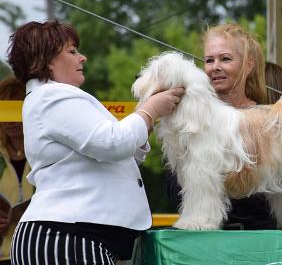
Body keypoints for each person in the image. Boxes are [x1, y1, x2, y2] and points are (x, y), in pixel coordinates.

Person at [7, 19, 184, 265]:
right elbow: (112, 143)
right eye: (72, 51)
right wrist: (150, 110)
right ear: (45, 60)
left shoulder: (61, 98)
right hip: (67, 238)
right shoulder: (52, 96)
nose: (83, 58)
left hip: (78, 236)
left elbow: (122, 152)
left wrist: (147, 120)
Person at [167, 23, 277, 230]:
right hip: (203, 237)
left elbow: (279, 188)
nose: (215, 66)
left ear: (248, 65)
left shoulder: (269, 121)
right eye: (209, 60)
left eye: (225, 59)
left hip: (256, 235)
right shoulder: (191, 123)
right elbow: (173, 188)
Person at [0, 76, 33, 265]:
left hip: (37, 251)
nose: (11, 121)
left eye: (16, 111)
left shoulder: (46, 151)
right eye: (5, 111)